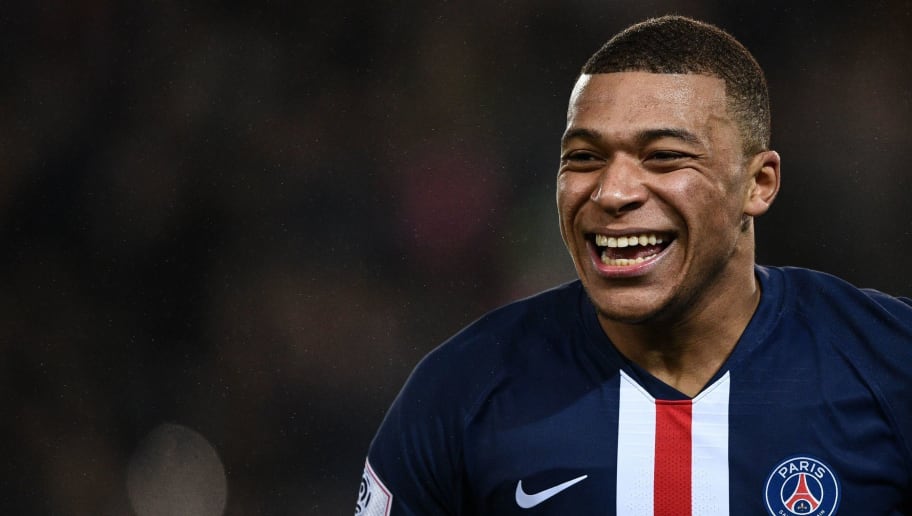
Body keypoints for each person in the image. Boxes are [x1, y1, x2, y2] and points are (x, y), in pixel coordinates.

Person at [354, 15, 912, 515]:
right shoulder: (459, 393)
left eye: (664, 156)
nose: (612, 192)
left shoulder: (890, 363)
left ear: (758, 184)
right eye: (584, 157)